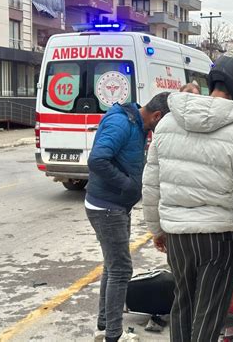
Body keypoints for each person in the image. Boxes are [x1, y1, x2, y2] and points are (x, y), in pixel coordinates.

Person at [142, 47, 233, 342]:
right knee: (209, 316)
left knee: (182, 305)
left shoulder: (168, 123)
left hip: (177, 236)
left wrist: (156, 229)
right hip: (220, 239)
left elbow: (151, 185)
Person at [85, 93, 170, 342]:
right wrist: (128, 186)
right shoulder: (122, 123)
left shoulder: (138, 124)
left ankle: (105, 321)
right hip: (107, 206)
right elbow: (97, 159)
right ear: (157, 116)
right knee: (121, 270)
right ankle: (113, 334)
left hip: (116, 205)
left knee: (113, 266)